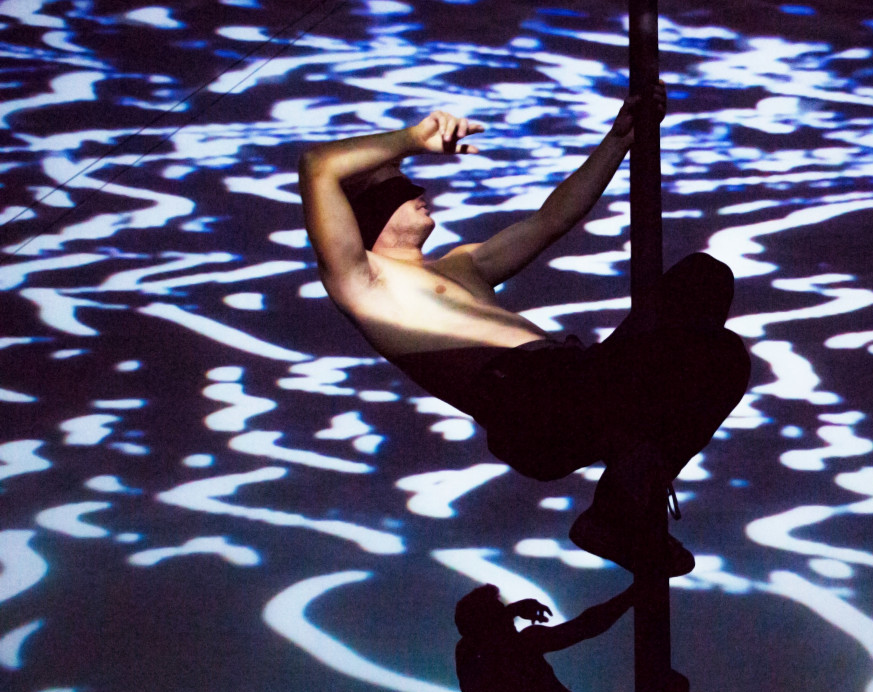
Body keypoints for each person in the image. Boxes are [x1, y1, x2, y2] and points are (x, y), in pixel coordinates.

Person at [298, 86, 750, 574]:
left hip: (574, 382)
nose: (419, 192)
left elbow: (551, 219)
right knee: (695, 318)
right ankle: (620, 506)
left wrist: (619, 139)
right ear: (367, 215)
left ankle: (620, 501)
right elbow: (317, 166)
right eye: (399, 189)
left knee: (709, 308)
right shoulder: (367, 283)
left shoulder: (463, 264)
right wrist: (412, 138)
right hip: (530, 405)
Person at [453, 583, 634, 692]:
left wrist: (512, 610)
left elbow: (585, 626)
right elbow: (585, 626)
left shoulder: (473, 669)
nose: (511, 622)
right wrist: (629, 596)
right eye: (503, 616)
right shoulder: (519, 649)